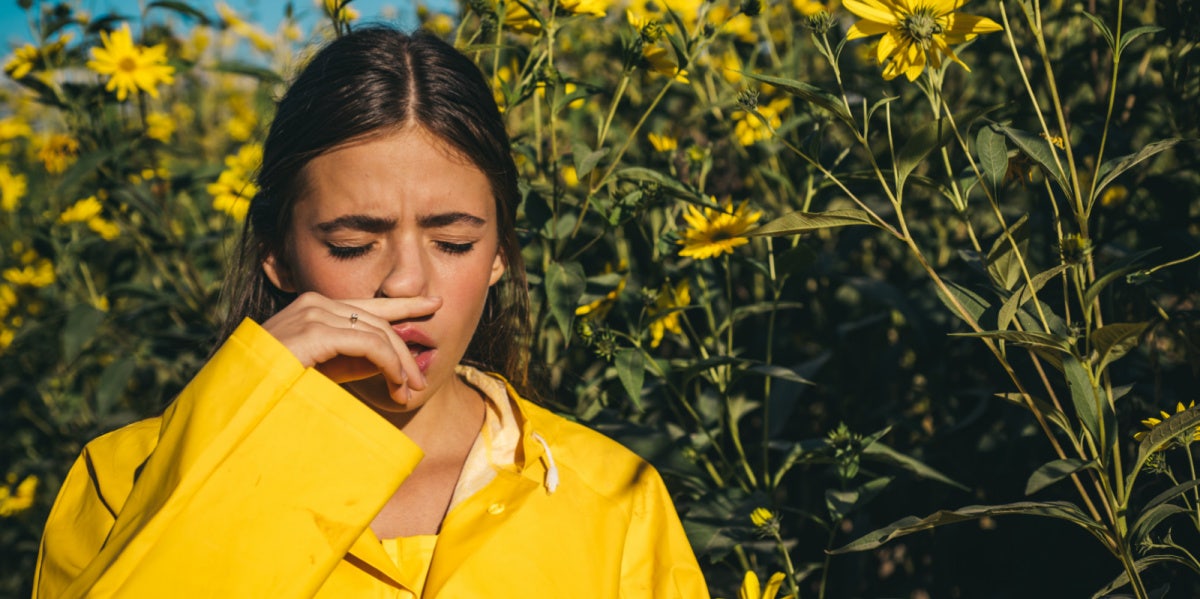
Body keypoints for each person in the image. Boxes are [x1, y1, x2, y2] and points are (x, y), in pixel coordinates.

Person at [33, 26, 709, 598]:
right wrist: (242, 425)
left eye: (454, 241)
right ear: (276, 254)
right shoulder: (123, 479)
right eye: (354, 243)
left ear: (502, 253)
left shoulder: (616, 499)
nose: (406, 282)